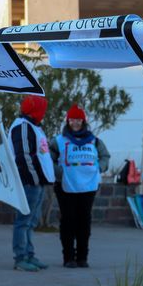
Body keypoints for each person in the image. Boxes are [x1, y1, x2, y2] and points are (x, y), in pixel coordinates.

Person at [49, 104, 110, 268]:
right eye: (72, 120)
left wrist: (99, 168)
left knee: (84, 221)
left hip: (88, 187)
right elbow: (48, 159)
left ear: (83, 121)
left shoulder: (95, 141)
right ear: (67, 121)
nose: (75, 123)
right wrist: (60, 173)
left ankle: (82, 257)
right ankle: (68, 257)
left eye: (78, 120)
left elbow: (105, 156)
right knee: (68, 220)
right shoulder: (58, 141)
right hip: (65, 186)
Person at [9, 95, 55, 272]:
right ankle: (20, 257)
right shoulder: (22, 126)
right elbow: (24, 156)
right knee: (23, 221)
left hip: (38, 181)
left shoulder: (34, 127)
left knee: (31, 221)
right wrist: (35, 179)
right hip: (29, 182)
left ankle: (29, 254)